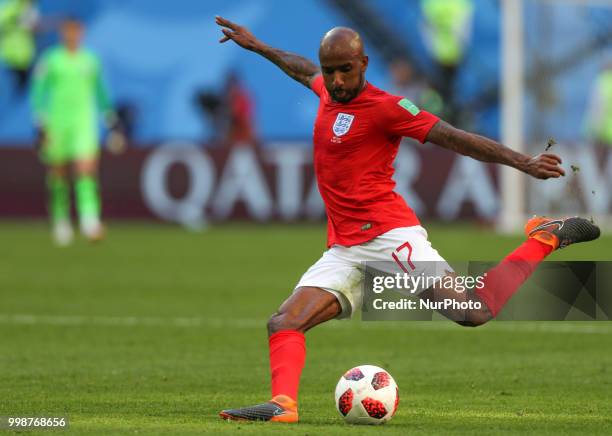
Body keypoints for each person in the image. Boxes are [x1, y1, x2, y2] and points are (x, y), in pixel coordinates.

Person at [214, 16, 600, 423]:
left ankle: (543, 237)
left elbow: (456, 138)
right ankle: (283, 405)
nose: (338, 81)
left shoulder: (388, 108)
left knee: (473, 312)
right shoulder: (326, 90)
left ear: (363, 63)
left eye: (346, 70)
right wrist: (258, 46)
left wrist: (522, 161)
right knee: (284, 322)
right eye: (330, 72)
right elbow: (300, 67)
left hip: (390, 237)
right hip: (345, 248)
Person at [31, 17, 121, 245]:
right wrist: (40, 121)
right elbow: (39, 92)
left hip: (83, 123)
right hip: (57, 122)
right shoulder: (51, 59)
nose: (72, 35)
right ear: (63, 34)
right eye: (68, 31)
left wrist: (110, 120)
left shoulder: (90, 60)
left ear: (81, 34)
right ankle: (61, 221)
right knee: (58, 173)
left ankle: (89, 220)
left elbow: (101, 92)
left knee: (86, 170)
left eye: (76, 32)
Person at [0, 0, 39, 94]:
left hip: (25, 56)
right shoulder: (9, 7)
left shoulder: (30, 9)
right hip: (9, 56)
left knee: (24, 88)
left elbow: (33, 29)